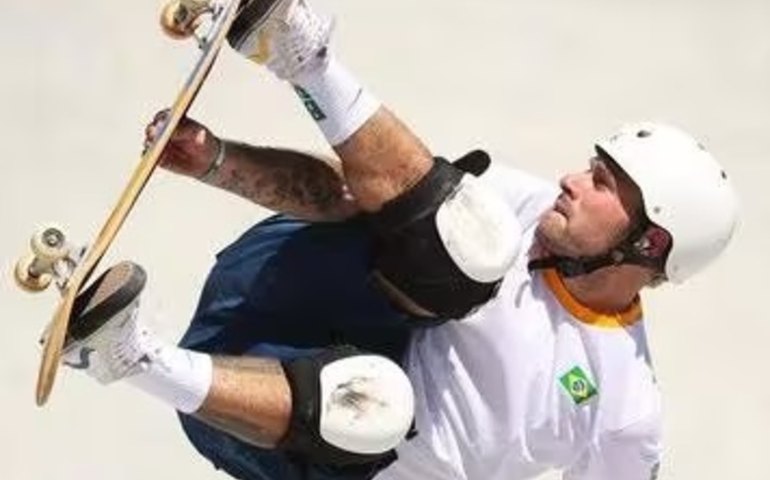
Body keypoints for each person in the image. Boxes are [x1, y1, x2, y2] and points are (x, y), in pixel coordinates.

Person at [61, 1, 739, 479]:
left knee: (381, 408)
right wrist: (216, 159)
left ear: (647, 246)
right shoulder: (523, 208)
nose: (570, 179)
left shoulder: (624, 408)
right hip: (276, 290)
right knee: (468, 242)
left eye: (600, 183)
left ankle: (127, 358)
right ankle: (299, 50)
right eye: (590, 165)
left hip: (277, 429)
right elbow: (362, 189)